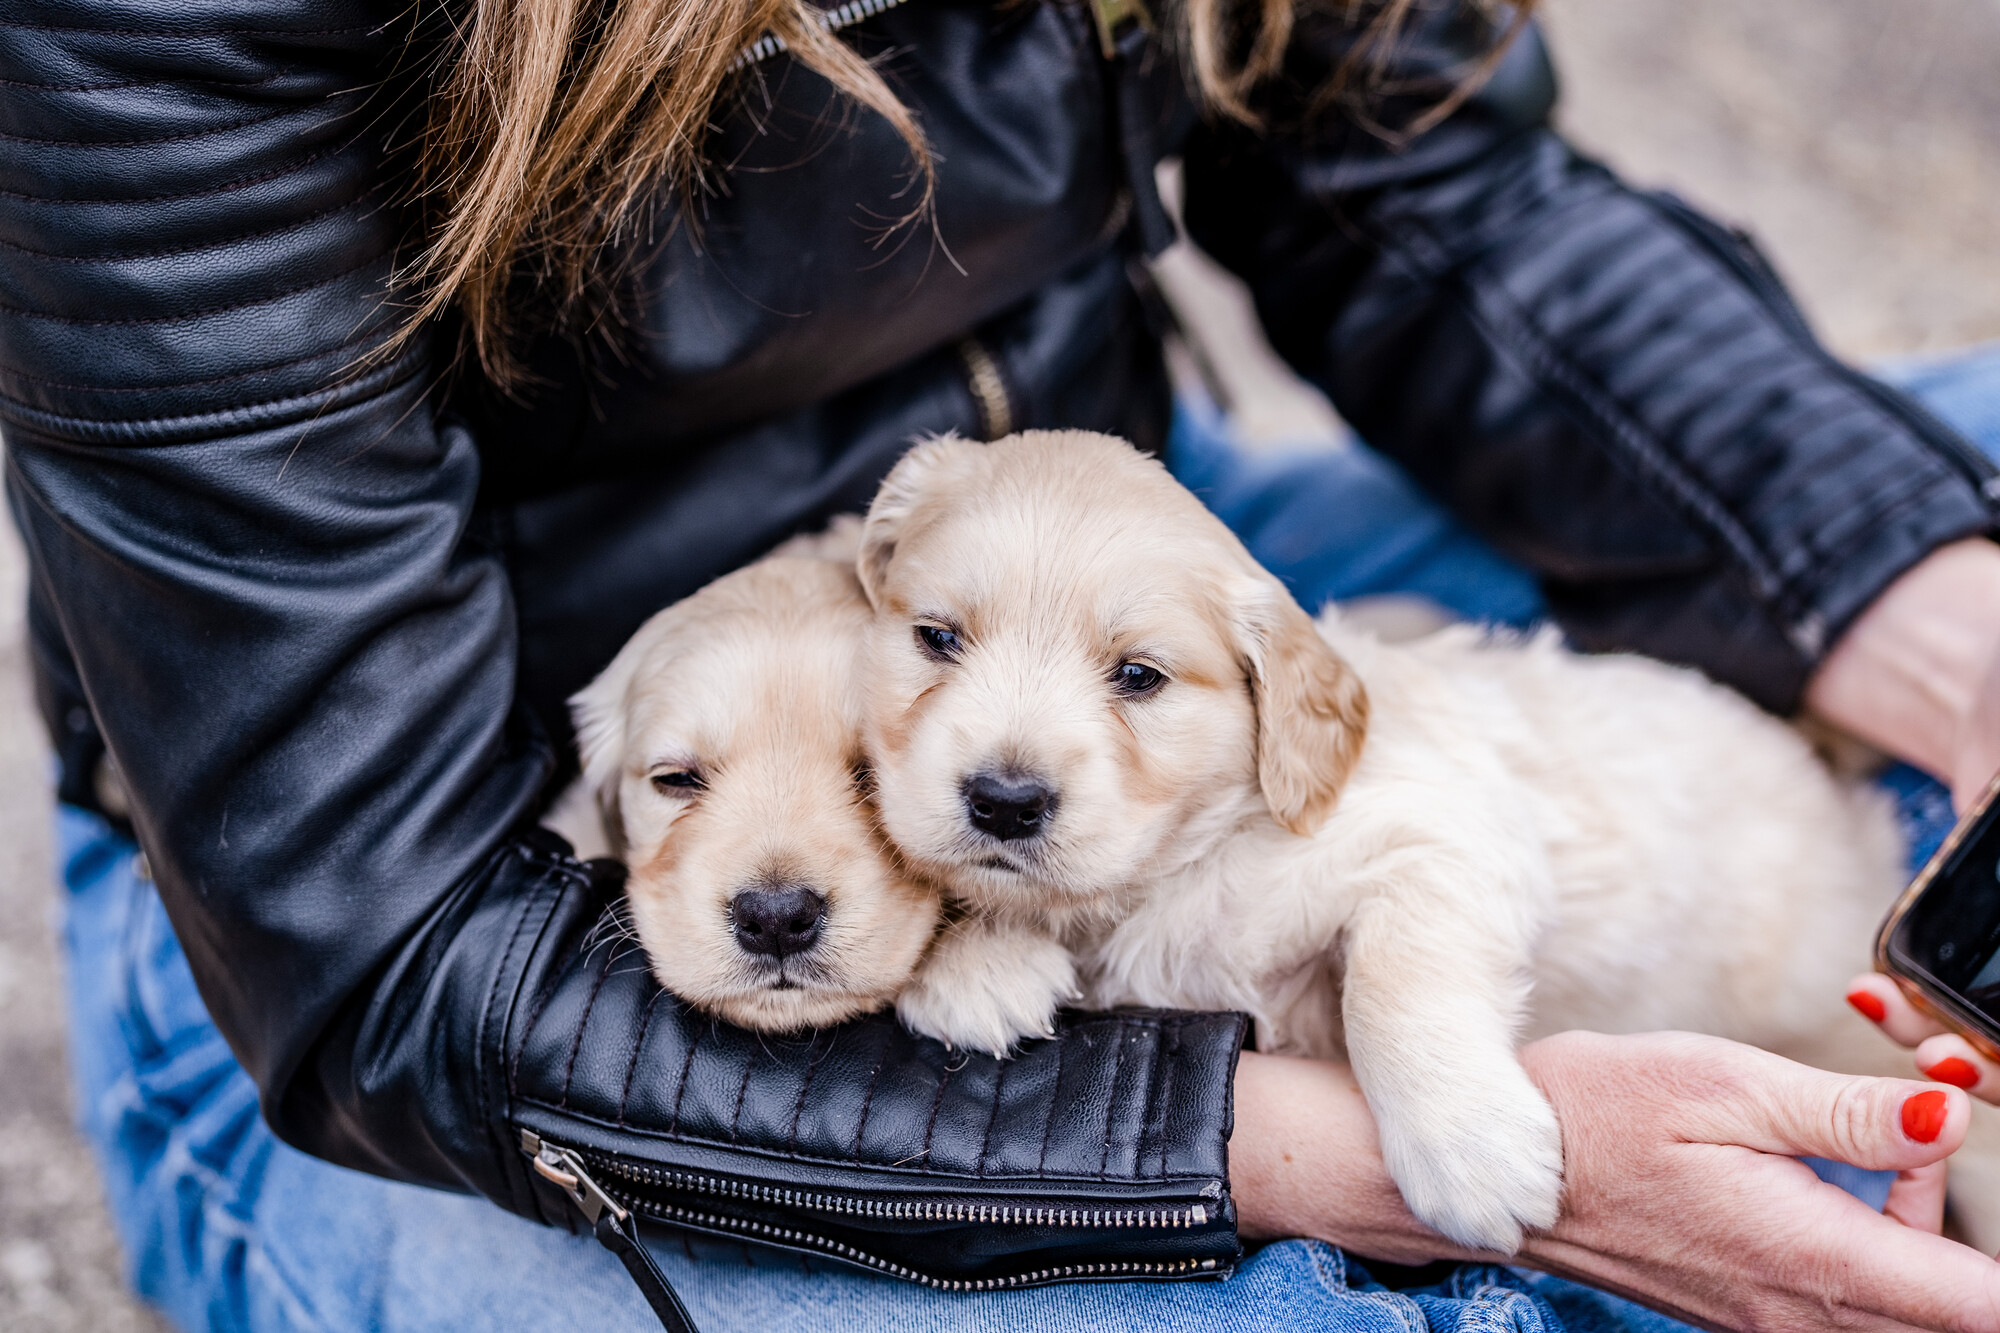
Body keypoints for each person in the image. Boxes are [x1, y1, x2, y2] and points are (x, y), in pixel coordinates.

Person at [7, 0, 2000, 1330]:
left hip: (1100, 569)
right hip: (501, 921)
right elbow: (386, 952)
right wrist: (1394, 1150)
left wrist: (1932, 619)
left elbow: (1428, 191)